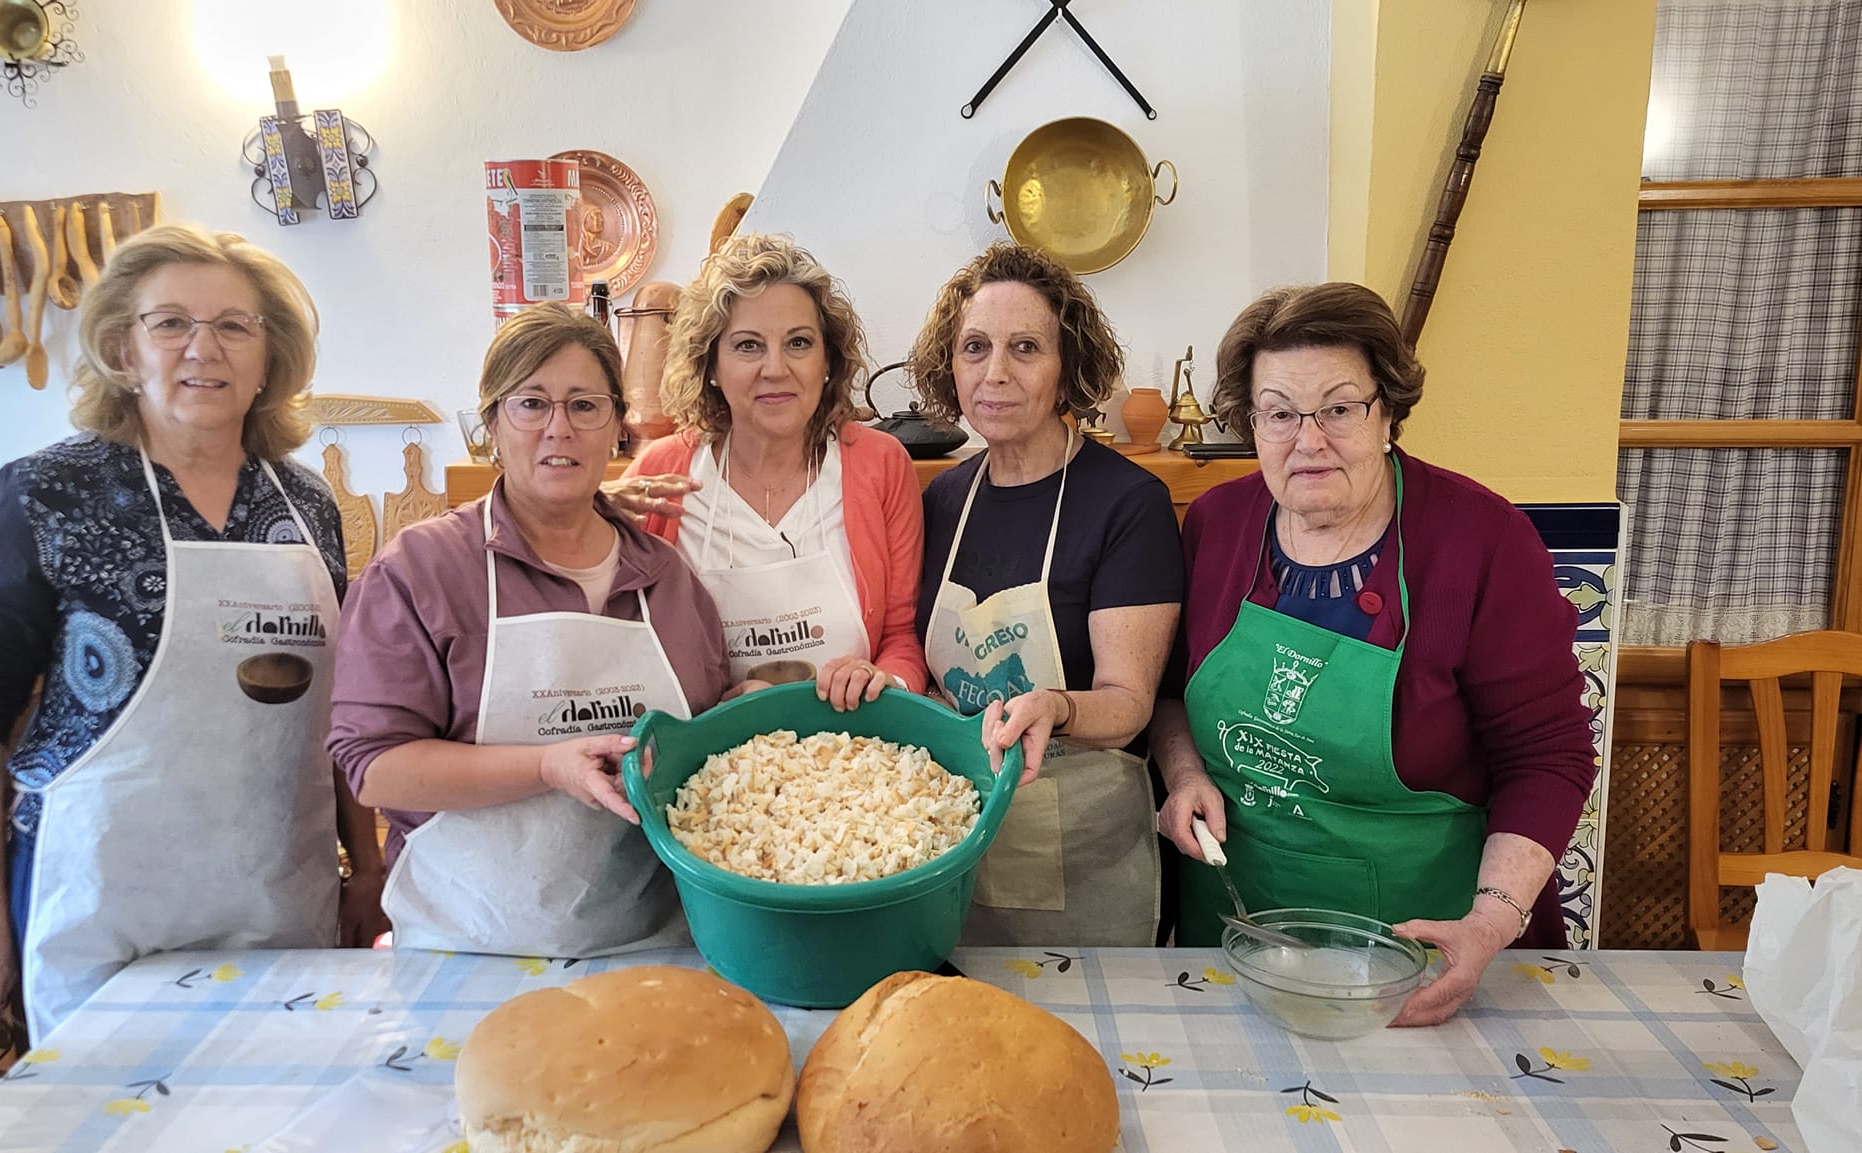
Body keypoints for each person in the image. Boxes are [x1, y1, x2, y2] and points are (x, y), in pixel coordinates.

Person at [0, 224, 380, 1041]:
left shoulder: (306, 504)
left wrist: (367, 867)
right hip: (103, 900)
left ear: (268, 357)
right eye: (170, 322)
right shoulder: (46, 492)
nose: (202, 348)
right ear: (121, 348)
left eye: (234, 326)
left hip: (276, 893)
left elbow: (342, 709)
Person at [1148, 282, 1596, 1025]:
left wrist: (1487, 925)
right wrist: (1185, 773)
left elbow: (1549, 755)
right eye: (1281, 412)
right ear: (1251, 423)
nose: (1309, 439)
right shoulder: (1216, 525)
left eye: (1339, 407)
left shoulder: (1481, 542)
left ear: (1387, 410)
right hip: (1236, 941)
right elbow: (1168, 694)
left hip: (1425, 957)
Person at [328, 302, 733, 957]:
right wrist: (547, 765)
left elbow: (705, 752)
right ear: (491, 423)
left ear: (616, 429)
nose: (558, 428)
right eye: (531, 403)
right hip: (464, 945)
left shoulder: (669, 580)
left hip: (658, 944)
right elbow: (375, 768)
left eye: (584, 405)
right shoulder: (421, 571)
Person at [910, 242, 1183, 946]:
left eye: (1026, 347)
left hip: (1080, 834)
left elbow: (1128, 707)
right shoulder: (944, 497)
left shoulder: (1127, 503)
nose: (995, 373)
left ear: (1069, 370)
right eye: (975, 347)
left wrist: (1053, 707)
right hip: (951, 829)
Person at [620, 233, 927, 710]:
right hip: (711, 762)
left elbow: (902, 636)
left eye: (799, 343)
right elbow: (629, 656)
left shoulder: (881, 465)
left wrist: (882, 679)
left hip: (855, 753)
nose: (776, 368)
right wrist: (708, 703)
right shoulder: (661, 473)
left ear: (828, 361)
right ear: (712, 365)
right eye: (748, 346)